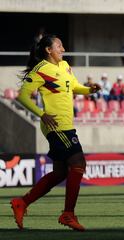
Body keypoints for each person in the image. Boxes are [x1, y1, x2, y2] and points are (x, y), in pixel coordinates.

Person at [11, 35, 101, 231]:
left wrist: (89, 90)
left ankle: (22, 202)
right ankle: (68, 214)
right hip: (56, 125)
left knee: (60, 172)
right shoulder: (41, 70)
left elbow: (74, 86)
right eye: (59, 45)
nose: (63, 48)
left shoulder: (65, 66)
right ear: (48, 50)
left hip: (66, 124)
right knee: (78, 163)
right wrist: (42, 115)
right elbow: (22, 96)